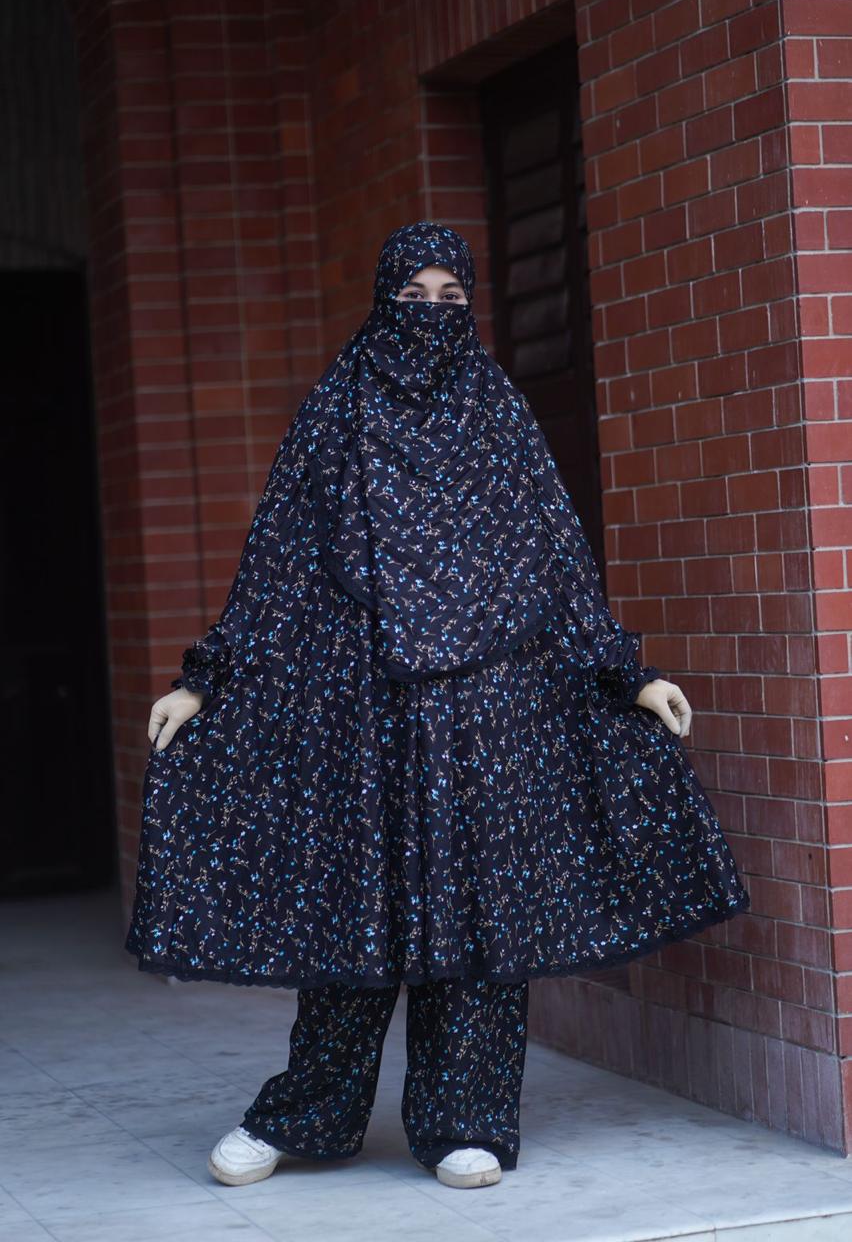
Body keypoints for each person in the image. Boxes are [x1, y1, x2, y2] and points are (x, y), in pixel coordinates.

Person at [125, 221, 750, 1191]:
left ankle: (469, 1121)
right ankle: (303, 1112)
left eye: (450, 298)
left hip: (482, 712)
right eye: (412, 296)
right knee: (352, 920)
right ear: (383, 300)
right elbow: (279, 556)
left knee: (479, 922)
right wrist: (208, 677)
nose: (431, 313)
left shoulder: (496, 410)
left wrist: (625, 671)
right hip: (363, 707)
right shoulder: (337, 407)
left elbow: (556, 551)